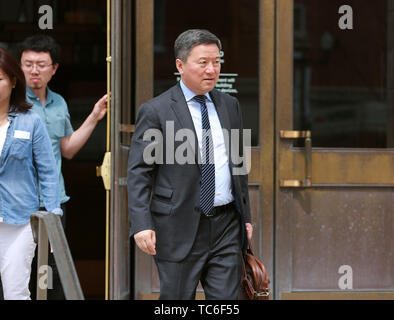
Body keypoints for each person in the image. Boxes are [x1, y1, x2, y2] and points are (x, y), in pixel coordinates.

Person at [127, 29, 253, 300]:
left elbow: (238, 164)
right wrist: (140, 223)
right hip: (177, 225)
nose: (211, 69)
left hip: (226, 226)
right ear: (180, 65)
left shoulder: (230, 105)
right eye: (203, 62)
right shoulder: (156, 110)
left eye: (217, 62)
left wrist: (247, 217)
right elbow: (139, 172)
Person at [17, 35, 107, 299]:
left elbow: (67, 149)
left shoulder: (59, 103)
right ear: (19, 66)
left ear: (54, 68)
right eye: (28, 63)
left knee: (52, 271)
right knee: (16, 268)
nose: (34, 70)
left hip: (53, 200)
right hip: (17, 201)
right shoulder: (10, 103)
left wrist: (94, 116)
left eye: (41, 64)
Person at [0, 47, 62, 300]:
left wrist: (53, 214)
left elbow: (48, 171)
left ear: (13, 81)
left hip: (19, 220)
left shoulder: (30, 120)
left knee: (16, 290)